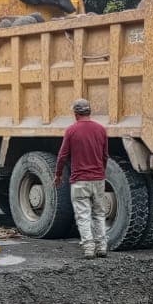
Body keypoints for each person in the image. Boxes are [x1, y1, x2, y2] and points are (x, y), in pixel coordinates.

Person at [53, 98, 109, 259]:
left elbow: (62, 156)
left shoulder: (71, 131)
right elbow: (105, 156)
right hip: (98, 179)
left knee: (83, 214)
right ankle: (102, 246)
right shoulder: (101, 130)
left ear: (76, 113)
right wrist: (100, 173)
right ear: (89, 112)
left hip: (79, 180)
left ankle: (89, 248)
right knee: (99, 213)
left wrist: (58, 174)